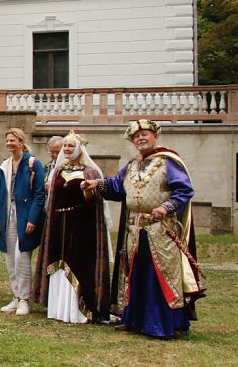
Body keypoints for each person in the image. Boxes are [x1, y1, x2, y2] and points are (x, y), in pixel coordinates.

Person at [82, 120, 205, 339]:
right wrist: (98, 184)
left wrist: (165, 207)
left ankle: (163, 324)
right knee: (134, 273)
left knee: (160, 274)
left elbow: (184, 190)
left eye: (145, 134)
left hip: (161, 229)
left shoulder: (169, 162)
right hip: (134, 229)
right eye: (136, 136)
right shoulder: (131, 165)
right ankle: (134, 319)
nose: (141, 138)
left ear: (154, 136)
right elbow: (117, 187)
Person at [32, 131, 110, 323]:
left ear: (79, 149)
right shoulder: (58, 171)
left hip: (81, 225)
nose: (66, 149)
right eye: (65, 146)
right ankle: (58, 308)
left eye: (70, 146)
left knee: (78, 262)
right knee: (58, 261)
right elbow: (53, 199)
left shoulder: (90, 172)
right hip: (59, 223)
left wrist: (88, 192)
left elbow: (94, 203)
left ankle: (79, 310)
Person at [0, 128, 46, 316]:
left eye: (12, 140)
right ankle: (16, 296)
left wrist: (33, 218)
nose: (9, 144)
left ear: (21, 142)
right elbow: (0, 195)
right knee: (9, 256)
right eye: (7, 141)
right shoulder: (5, 165)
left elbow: (40, 194)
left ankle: (24, 298)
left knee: (21, 256)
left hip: (25, 213)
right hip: (8, 213)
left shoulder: (33, 163)